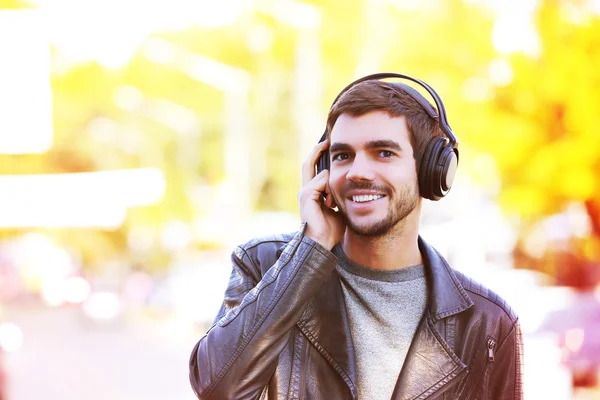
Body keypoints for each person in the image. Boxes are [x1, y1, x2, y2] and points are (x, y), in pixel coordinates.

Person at [189, 73, 523, 399]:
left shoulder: (488, 324)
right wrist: (311, 248)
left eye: (384, 153)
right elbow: (217, 390)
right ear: (321, 170)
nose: (358, 172)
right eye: (342, 156)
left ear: (430, 171)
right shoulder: (265, 265)